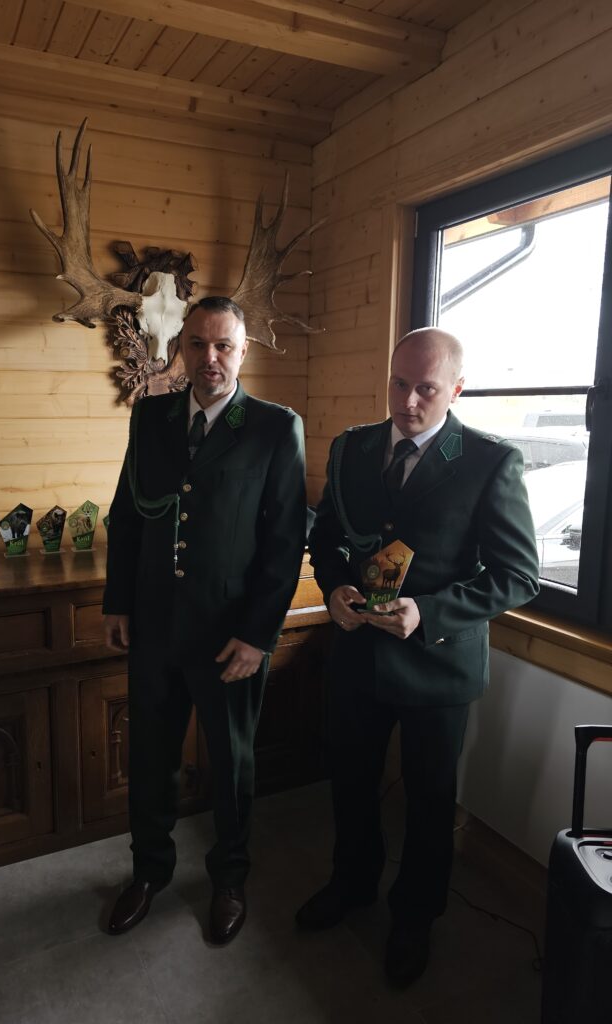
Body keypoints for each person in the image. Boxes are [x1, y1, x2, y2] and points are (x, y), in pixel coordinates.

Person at [296, 328, 539, 986]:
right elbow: (326, 536)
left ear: (456, 389)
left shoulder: (489, 460)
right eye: (399, 384)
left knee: (430, 801)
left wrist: (428, 612)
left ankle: (415, 917)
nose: (407, 402)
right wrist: (334, 588)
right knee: (350, 781)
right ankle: (352, 885)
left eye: (426, 389)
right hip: (357, 654)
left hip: (438, 665)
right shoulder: (351, 448)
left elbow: (519, 575)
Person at [102, 296, 307, 945]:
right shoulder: (151, 415)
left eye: (224, 346)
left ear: (244, 351)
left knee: (232, 764)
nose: (210, 358)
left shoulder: (275, 427)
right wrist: (117, 601)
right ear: (180, 349)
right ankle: (149, 870)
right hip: (154, 628)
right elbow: (127, 515)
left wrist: (258, 636)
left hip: (230, 637)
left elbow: (284, 544)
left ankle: (230, 878)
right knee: (150, 757)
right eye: (198, 344)